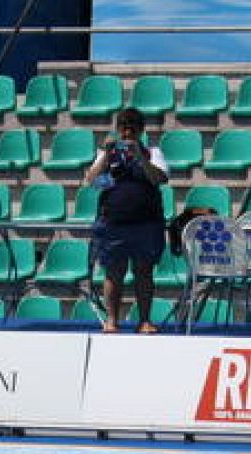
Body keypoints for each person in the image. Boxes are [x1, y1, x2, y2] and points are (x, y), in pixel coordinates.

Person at [84, 107, 170, 335]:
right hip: (113, 223)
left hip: (146, 223)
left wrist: (140, 158)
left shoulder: (153, 152)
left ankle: (144, 321)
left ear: (141, 131)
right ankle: (111, 321)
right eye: (123, 129)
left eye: (132, 129)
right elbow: (92, 182)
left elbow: (158, 179)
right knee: (113, 273)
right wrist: (105, 156)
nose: (127, 134)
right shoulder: (108, 155)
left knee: (144, 272)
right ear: (118, 130)